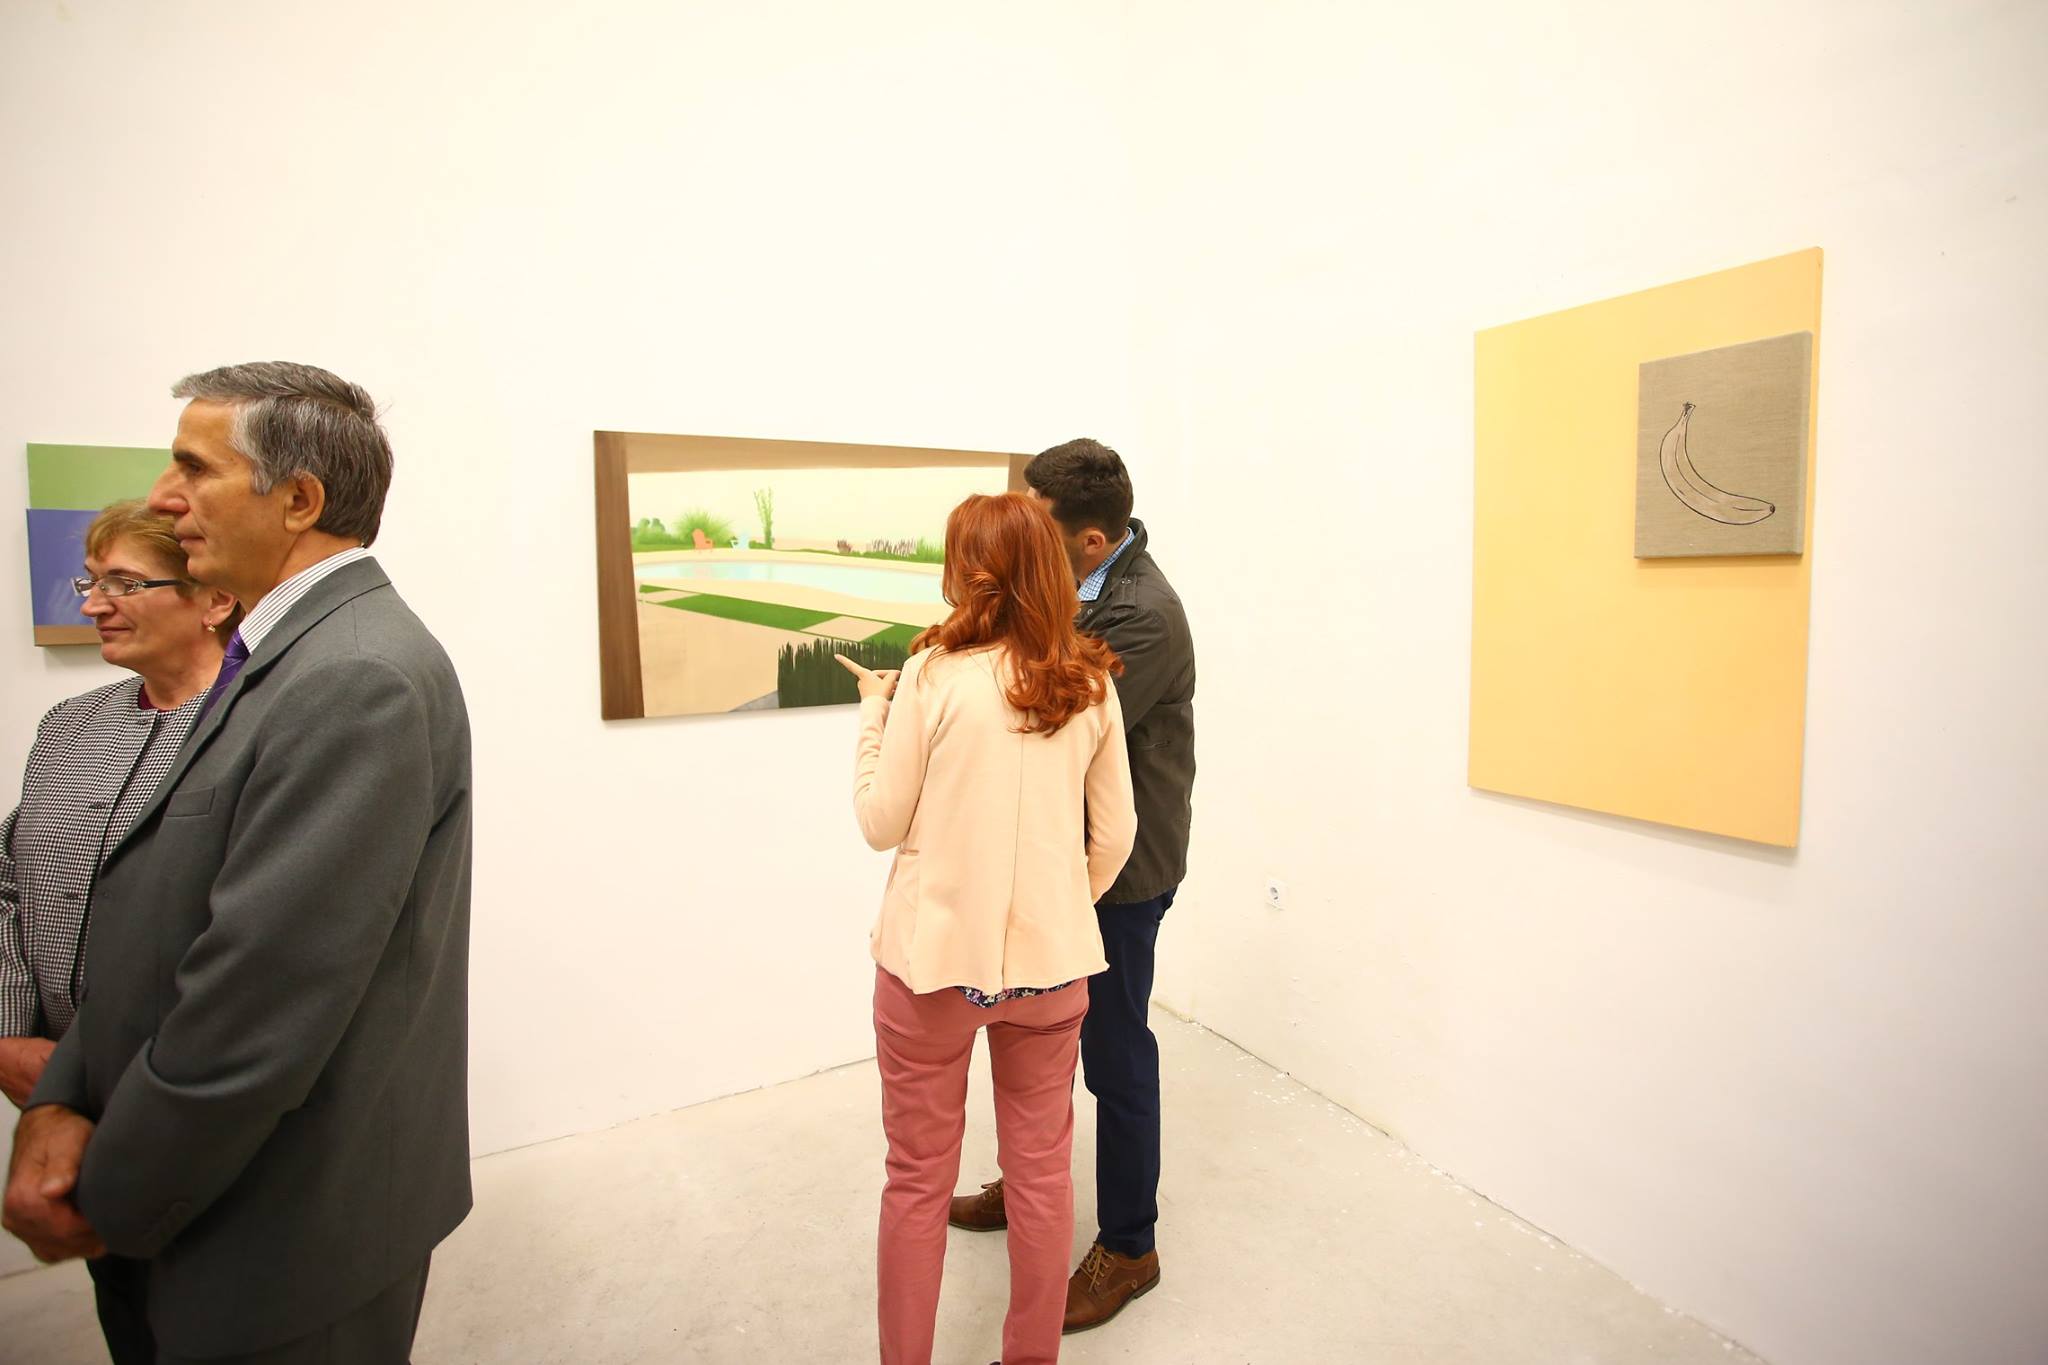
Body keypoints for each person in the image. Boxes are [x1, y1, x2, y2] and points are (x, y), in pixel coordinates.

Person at [2, 362, 474, 1365]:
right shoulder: (278, 658)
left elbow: (259, 996)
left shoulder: (355, 675)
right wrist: (62, 1099)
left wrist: (108, 1193)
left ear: (297, 499)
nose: (165, 496)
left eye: (193, 467)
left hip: (285, 1226)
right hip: (207, 1192)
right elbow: (147, 918)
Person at [839, 491, 1137, 1365]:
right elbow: (1116, 836)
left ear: (968, 572)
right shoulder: (1089, 683)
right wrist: (1058, 906)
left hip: (930, 970)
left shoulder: (934, 675)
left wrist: (872, 713)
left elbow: (880, 822)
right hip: (1051, 975)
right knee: (1042, 1175)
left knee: (917, 1180)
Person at [948, 438, 1196, 1335]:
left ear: (1092, 541)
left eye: (1040, 534)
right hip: (1062, 862)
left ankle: (1130, 1246)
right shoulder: (1078, 585)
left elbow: (1052, 721)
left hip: (1121, 875)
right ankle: (1032, 1183)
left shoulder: (1146, 617)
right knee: (1039, 1038)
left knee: (1114, 1054)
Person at [1, 500, 240, 1109]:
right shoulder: (68, 725)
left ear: (215, 600)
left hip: (190, 1092)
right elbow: (9, 884)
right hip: (50, 1082)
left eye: (124, 584)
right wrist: (8, 1035)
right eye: (92, 582)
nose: (92, 606)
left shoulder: (253, 729)